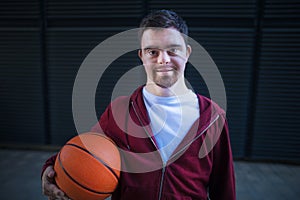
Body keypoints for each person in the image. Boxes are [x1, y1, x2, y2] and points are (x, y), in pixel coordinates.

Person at [42, 9, 236, 200]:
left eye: (173, 50)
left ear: (187, 52)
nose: (163, 59)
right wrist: (51, 168)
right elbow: (86, 151)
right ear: (142, 56)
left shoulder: (213, 117)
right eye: (153, 51)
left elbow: (224, 188)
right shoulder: (120, 111)